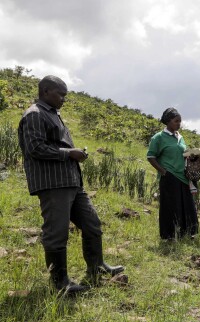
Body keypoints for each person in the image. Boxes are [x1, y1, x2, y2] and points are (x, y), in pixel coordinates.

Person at [17, 75, 124, 295]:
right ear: (46, 91)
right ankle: (60, 283)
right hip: (53, 184)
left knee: (92, 223)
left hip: (71, 183)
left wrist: (74, 155)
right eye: (61, 94)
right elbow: (34, 148)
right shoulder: (35, 115)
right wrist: (69, 153)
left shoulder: (52, 114)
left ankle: (97, 267)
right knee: (57, 233)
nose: (64, 99)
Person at [147, 108, 198, 240]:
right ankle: (169, 235)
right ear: (168, 121)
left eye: (180, 121)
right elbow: (151, 157)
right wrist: (163, 172)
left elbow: (182, 153)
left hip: (183, 176)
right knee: (170, 207)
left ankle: (186, 233)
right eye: (176, 121)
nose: (179, 124)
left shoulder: (180, 137)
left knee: (186, 205)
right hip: (169, 177)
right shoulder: (158, 138)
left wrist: (191, 154)